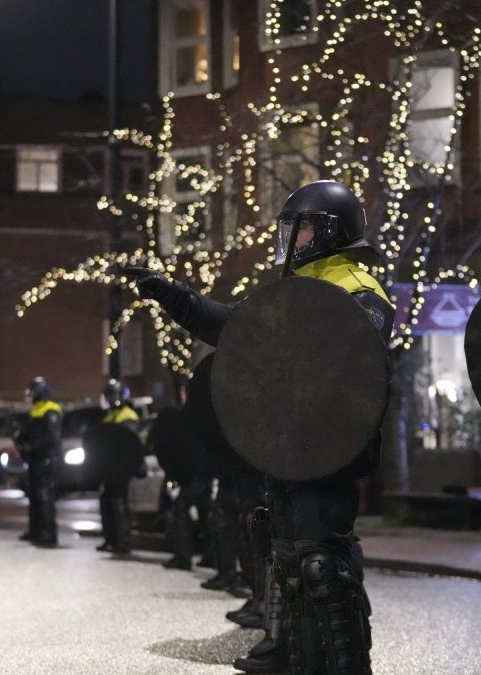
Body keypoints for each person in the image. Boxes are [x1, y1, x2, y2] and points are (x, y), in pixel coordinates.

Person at [122, 179, 394, 674]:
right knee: (287, 559)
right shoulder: (294, 288)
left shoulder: (358, 290)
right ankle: (291, 657)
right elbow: (234, 326)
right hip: (286, 446)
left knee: (322, 565)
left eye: (302, 229)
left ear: (331, 232)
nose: (291, 239)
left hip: (328, 450)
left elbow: (346, 367)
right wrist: (176, 297)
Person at [96, 378, 142, 555]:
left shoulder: (127, 416)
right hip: (109, 467)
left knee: (119, 503)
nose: (109, 399)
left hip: (122, 467)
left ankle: (123, 541)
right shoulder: (110, 416)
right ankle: (110, 539)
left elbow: (128, 443)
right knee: (106, 501)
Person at [16, 376, 62, 548]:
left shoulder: (51, 409)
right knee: (34, 496)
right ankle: (35, 530)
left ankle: (48, 533)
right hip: (35, 459)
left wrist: (32, 446)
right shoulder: (35, 410)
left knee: (45, 496)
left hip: (46, 458)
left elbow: (51, 436)